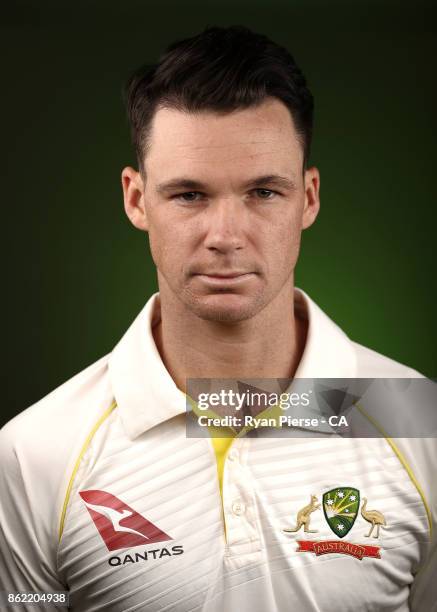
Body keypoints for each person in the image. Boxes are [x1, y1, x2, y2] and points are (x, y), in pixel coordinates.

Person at [0, 25, 435, 612]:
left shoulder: (421, 422)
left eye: (263, 192)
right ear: (136, 200)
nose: (225, 237)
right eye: (188, 195)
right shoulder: (34, 453)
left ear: (308, 198)